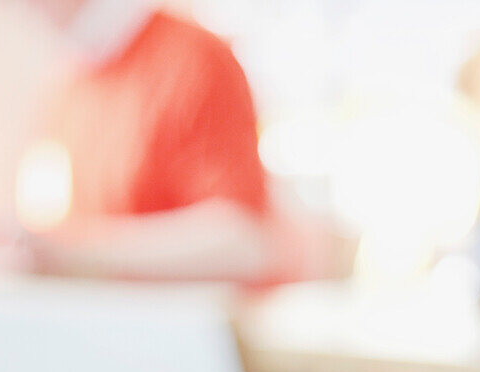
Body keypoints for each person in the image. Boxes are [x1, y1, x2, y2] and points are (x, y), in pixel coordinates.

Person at [21, 0, 334, 282]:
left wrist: (76, 251)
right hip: (112, 324)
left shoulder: (196, 58)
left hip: (191, 331)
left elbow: (243, 241)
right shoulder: (71, 84)